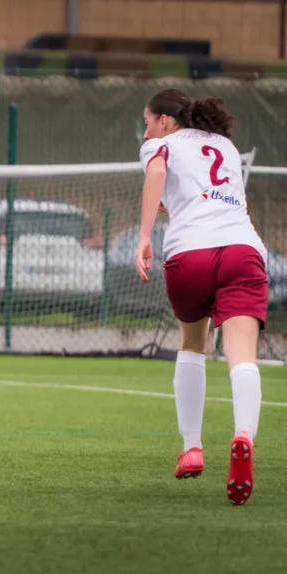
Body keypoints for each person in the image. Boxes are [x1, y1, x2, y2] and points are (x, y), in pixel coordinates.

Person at [135, 89, 267, 506]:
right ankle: (243, 436)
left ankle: (192, 447)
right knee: (242, 355)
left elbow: (158, 173)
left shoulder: (159, 145)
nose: (146, 131)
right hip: (241, 250)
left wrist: (143, 236)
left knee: (192, 344)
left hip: (190, 253)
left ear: (165, 121)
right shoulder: (224, 145)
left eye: (147, 121)